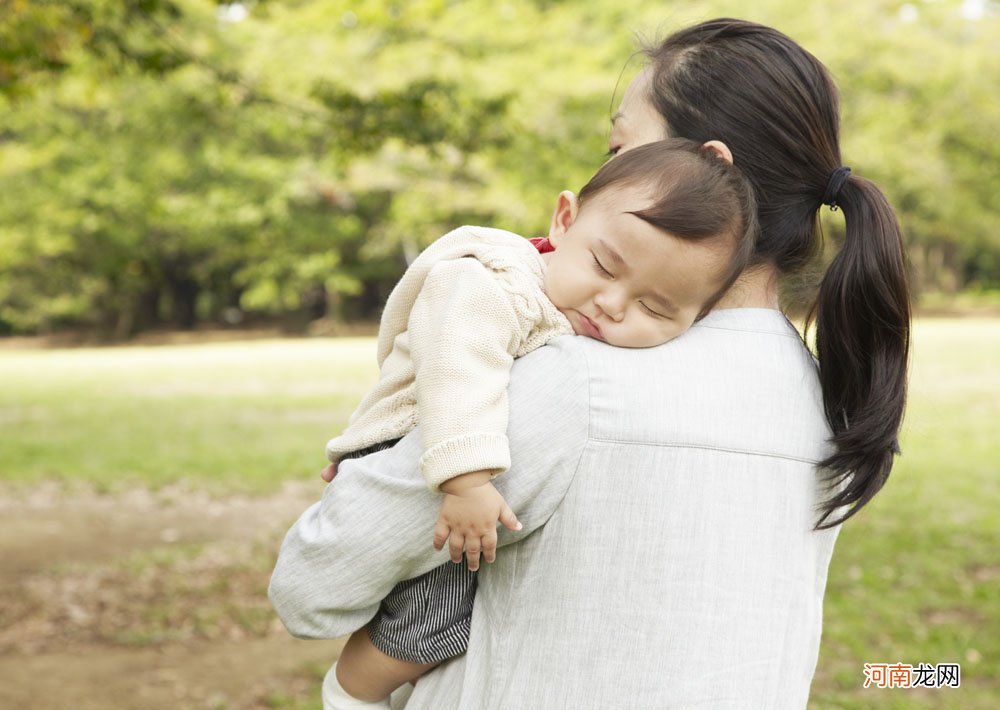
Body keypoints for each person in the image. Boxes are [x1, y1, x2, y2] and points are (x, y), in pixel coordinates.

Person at [269, 18, 911, 708]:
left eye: (619, 145)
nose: (604, 166)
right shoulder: (828, 399)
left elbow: (311, 589)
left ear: (709, 165)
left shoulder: (570, 385)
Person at [316, 137, 757, 709]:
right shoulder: (492, 282)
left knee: (445, 614)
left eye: (656, 308)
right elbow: (456, 367)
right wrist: (467, 480)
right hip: (431, 451)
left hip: (448, 455)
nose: (613, 305)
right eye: (603, 266)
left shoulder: (579, 316)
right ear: (565, 219)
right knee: (436, 618)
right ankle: (352, 692)